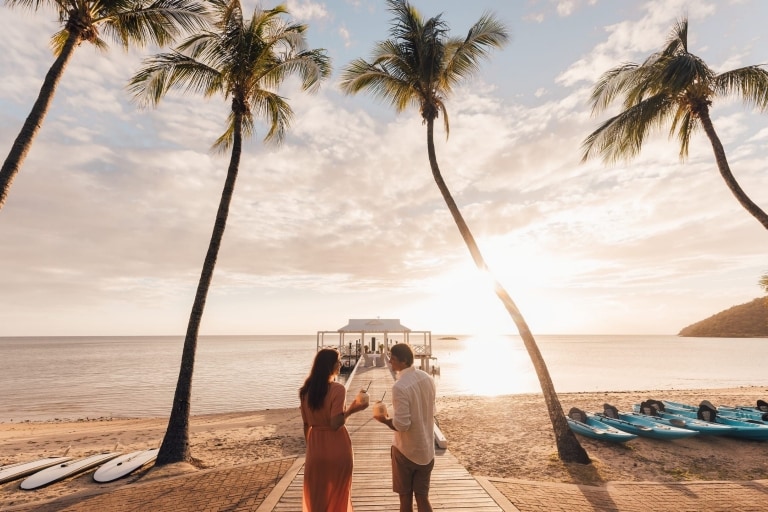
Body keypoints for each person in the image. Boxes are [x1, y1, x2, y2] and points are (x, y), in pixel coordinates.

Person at [299, 348, 368, 511]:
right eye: (338, 362)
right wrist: (352, 409)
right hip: (337, 448)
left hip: (315, 448)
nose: (341, 364)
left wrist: (311, 447)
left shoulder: (305, 391)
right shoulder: (337, 389)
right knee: (339, 495)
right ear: (330, 366)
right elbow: (335, 423)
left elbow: (306, 424)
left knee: (317, 498)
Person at [375, 343, 436, 512]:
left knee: (405, 497)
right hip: (426, 450)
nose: (389, 362)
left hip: (406, 451)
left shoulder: (400, 386)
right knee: (423, 497)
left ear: (403, 361)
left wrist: (384, 420)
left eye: (392, 359)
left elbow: (402, 425)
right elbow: (432, 410)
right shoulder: (427, 378)